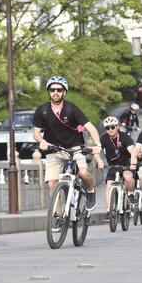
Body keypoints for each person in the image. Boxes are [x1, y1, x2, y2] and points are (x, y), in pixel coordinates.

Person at [32, 76, 102, 210]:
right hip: (54, 149)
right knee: (52, 184)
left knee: (83, 172)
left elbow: (91, 128)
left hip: (75, 148)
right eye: (52, 90)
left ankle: (90, 191)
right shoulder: (42, 110)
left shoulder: (71, 109)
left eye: (59, 89)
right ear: (49, 92)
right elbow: (36, 133)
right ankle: (57, 216)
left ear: (64, 92)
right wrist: (42, 141)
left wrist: (97, 145)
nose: (55, 92)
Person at [98, 116, 135, 222]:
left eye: (112, 127)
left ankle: (130, 194)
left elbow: (132, 150)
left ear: (117, 127)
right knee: (109, 184)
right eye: (107, 128)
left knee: (128, 177)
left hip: (126, 165)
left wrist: (133, 162)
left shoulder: (124, 137)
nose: (110, 130)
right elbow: (97, 150)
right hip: (113, 166)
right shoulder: (104, 138)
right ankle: (109, 211)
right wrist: (99, 161)